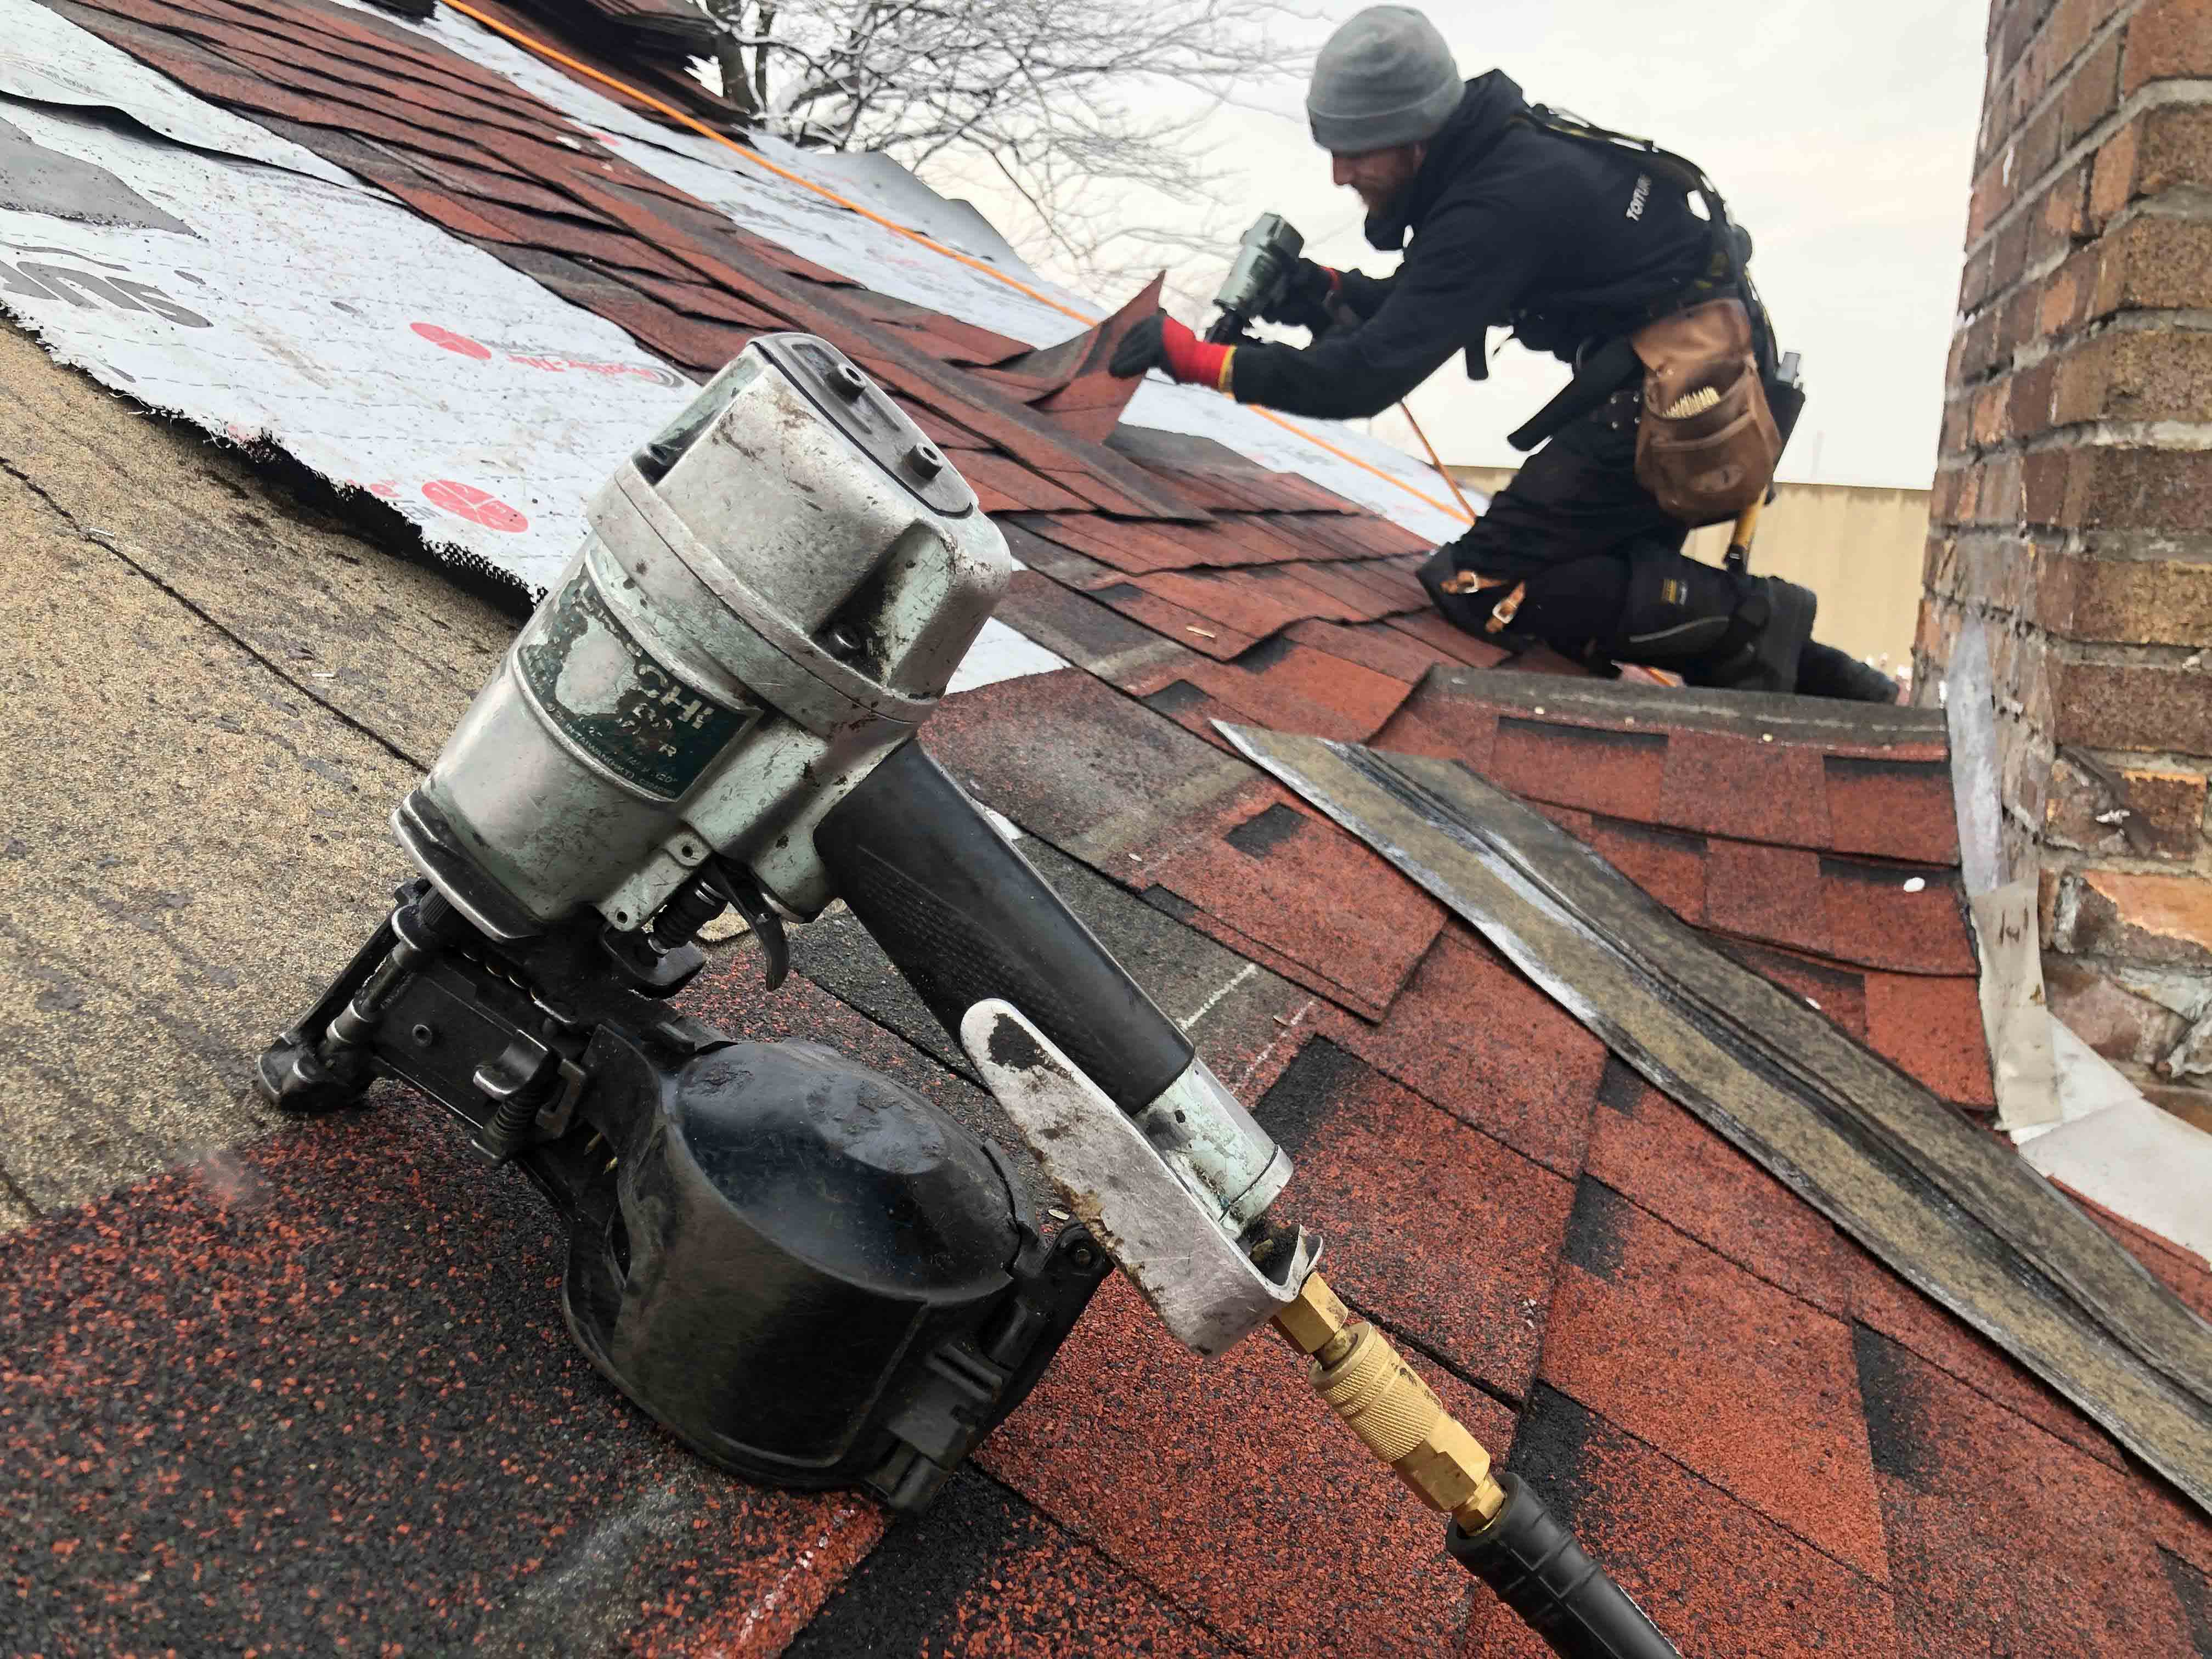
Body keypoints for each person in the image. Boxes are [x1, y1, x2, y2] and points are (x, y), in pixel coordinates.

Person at [1110, 4, 1896, 702]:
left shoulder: (1501, 198)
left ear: (1417, 137)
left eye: (1359, 150)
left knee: (1482, 583)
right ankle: (1831, 680)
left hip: (1688, 396)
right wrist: (1320, 290)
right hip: (1687, 367)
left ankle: (1754, 623)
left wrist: (1203, 361)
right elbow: (1431, 301)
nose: (1342, 173)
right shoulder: (1491, 156)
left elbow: (1366, 376)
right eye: (1333, 148)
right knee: (1590, 581)